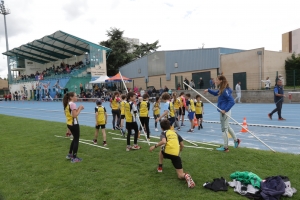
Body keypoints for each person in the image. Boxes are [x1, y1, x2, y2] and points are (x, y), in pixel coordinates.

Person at [149, 120, 195, 188]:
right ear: (170, 126)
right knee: (180, 175)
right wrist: (179, 152)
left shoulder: (163, 132)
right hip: (176, 155)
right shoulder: (175, 133)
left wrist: (154, 146)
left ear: (162, 128)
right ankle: (185, 175)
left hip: (167, 153)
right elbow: (182, 145)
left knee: (162, 149)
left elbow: (163, 141)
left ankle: (160, 167)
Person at [204, 75, 241, 152]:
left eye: (217, 80)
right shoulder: (221, 89)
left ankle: (225, 147)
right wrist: (208, 90)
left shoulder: (225, 90)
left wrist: (225, 110)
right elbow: (215, 93)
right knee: (227, 127)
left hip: (225, 112)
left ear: (221, 81)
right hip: (222, 111)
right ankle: (236, 140)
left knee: (224, 129)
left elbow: (232, 101)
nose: (215, 81)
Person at [63, 92, 84, 163]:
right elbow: (75, 115)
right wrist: (80, 109)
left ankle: (70, 154)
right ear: (71, 97)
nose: (77, 97)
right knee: (76, 140)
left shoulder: (67, 104)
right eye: (75, 96)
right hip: (74, 124)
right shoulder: (73, 104)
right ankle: (74, 158)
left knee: (74, 138)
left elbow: (69, 113)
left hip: (69, 124)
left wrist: (77, 109)